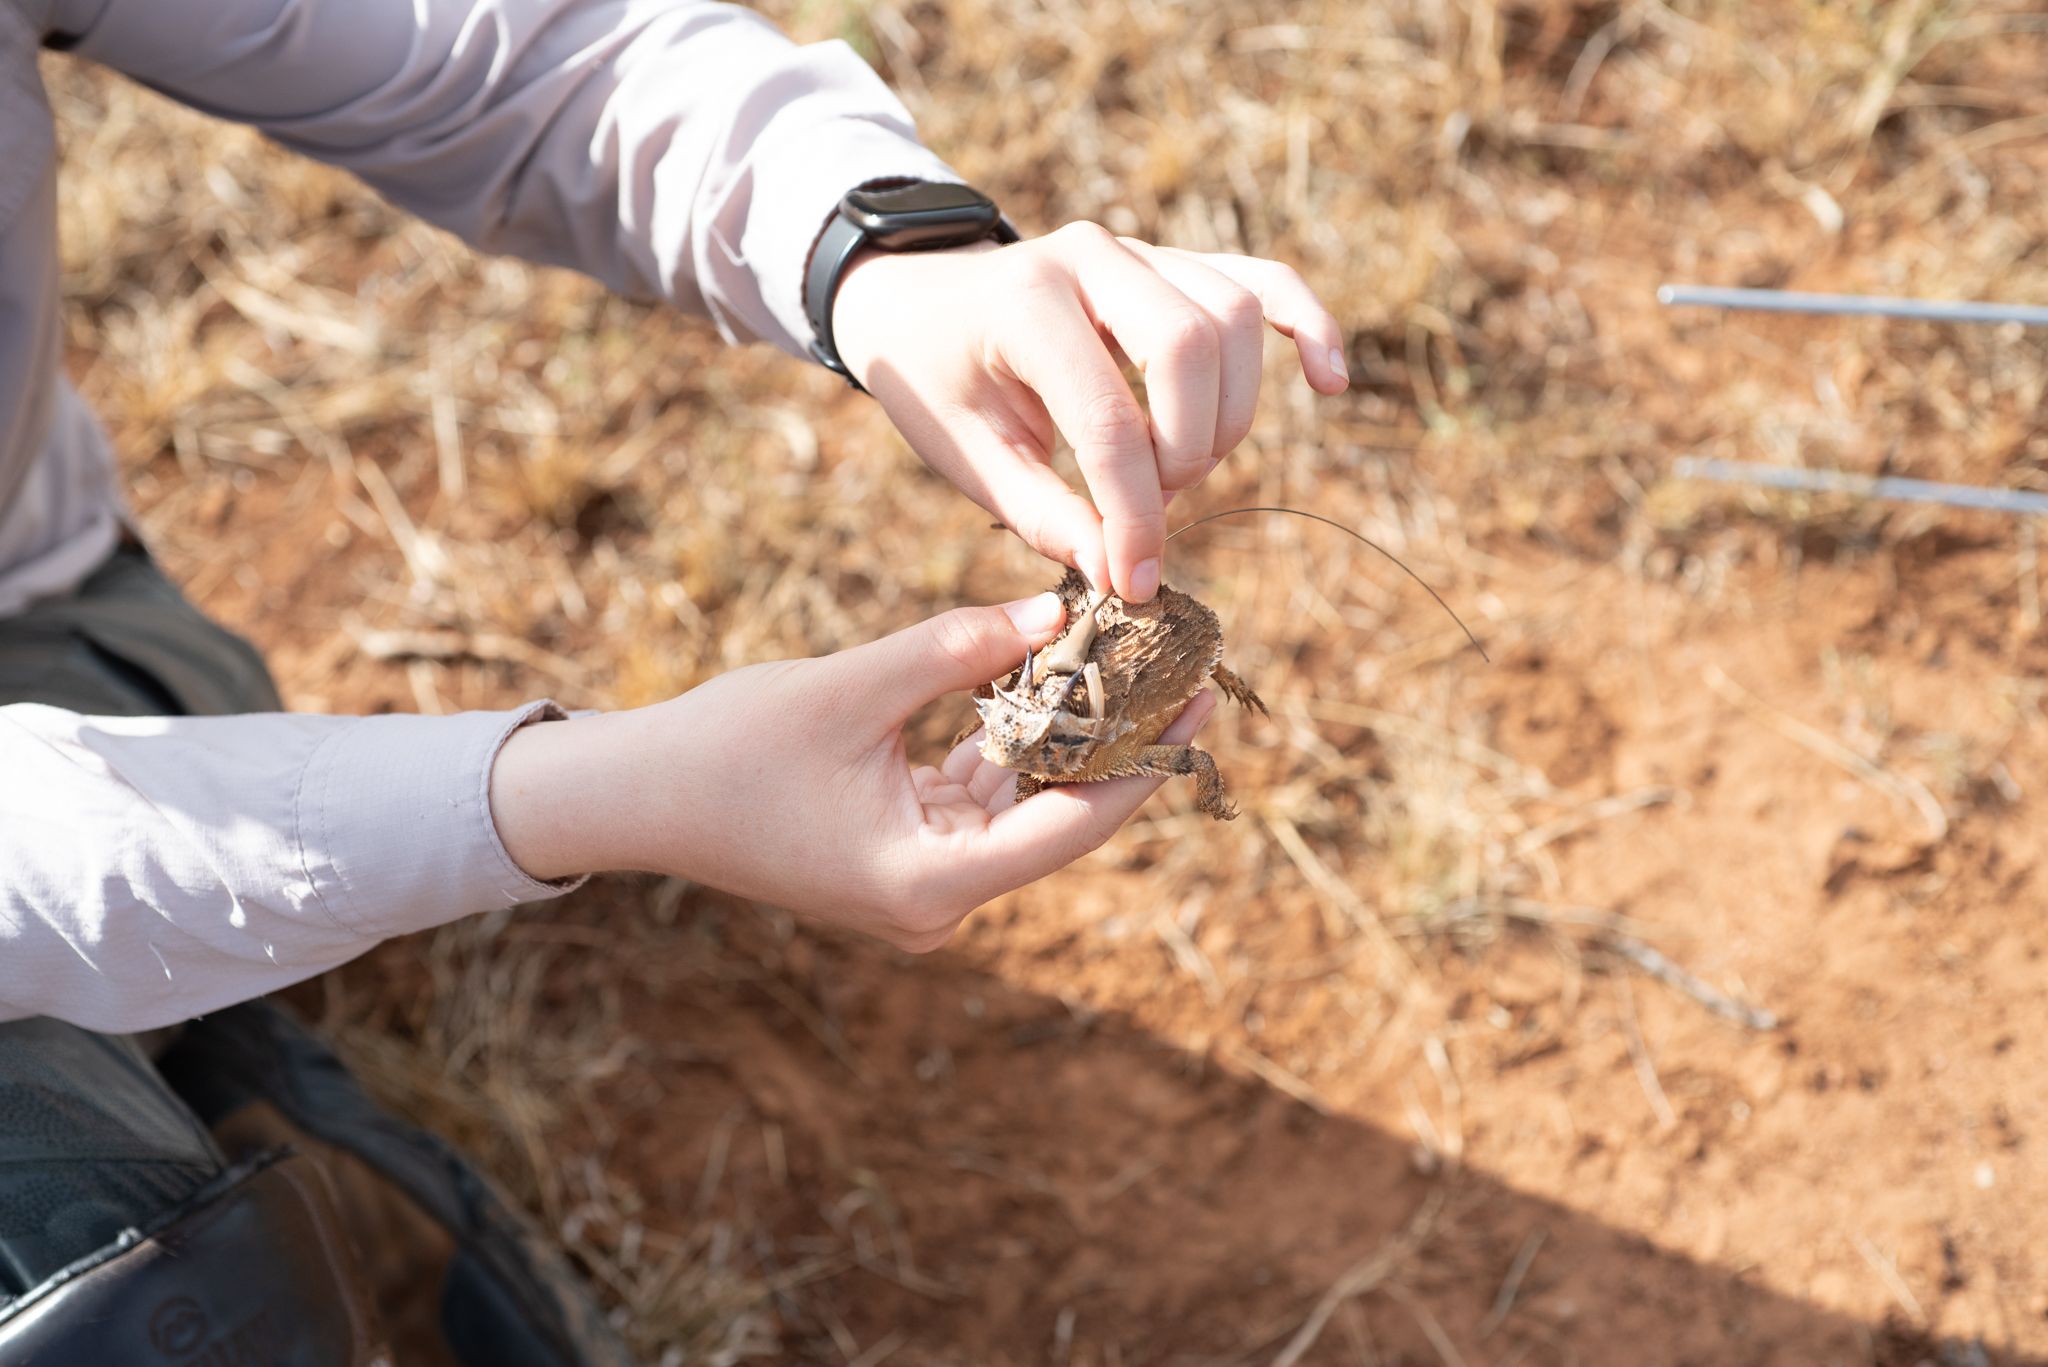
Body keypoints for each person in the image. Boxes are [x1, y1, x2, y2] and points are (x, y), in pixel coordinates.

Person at [0, 0, 1348, 1360]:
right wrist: (591, 792)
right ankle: (199, 1089)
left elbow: (520, 56)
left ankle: (188, 1057)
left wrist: (889, 254)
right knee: (135, 1324)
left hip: (62, 630)